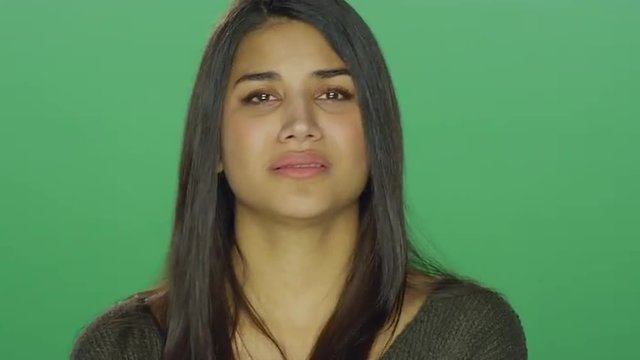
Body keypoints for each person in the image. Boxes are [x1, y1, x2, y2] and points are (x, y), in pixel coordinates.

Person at [70, 0, 527, 359]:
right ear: (211, 146)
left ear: (376, 135)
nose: (301, 123)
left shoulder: (468, 333)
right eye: (262, 96)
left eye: (333, 93)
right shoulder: (121, 347)